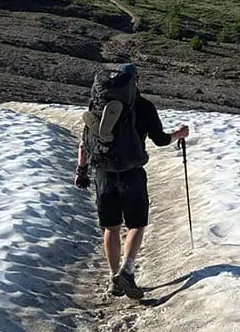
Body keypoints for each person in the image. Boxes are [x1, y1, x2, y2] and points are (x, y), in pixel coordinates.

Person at [74, 63, 189, 300]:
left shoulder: (97, 104)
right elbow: (160, 139)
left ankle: (113, 277)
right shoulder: (144, 106)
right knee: (136, 224)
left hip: (103, 173)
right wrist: (179, 134)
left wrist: (81, 171)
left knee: (111, 227)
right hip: (132, 171)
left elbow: (85, 143)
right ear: (135, 81)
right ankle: (126, 270)